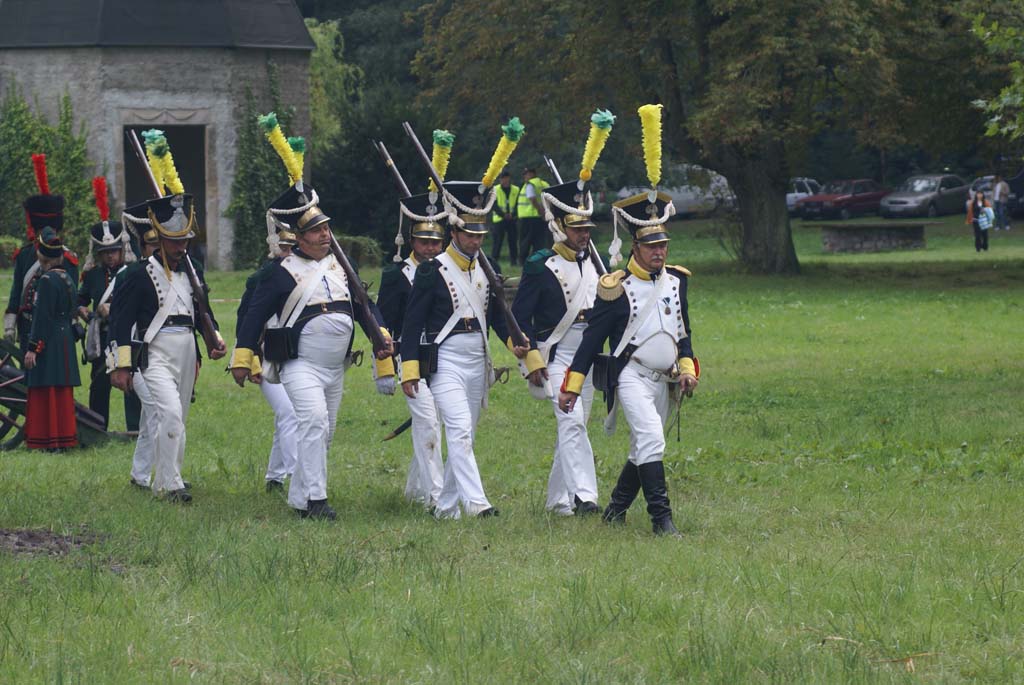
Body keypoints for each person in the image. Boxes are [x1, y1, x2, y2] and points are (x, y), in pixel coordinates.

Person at [230, 182, 395, 520]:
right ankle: (317, 501)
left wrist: (379, 334)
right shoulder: (279, 273)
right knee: (314, 422)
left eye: (325, 228)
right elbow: (253, 317)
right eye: (316, 231)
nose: (324, 235)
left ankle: (298, 498)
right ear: (299, 238)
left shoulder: (341, 267)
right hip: (298, 363)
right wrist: (243, 358)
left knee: (324, 432)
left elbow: (365, 306)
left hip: (336, 367)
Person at [559, 191, 699, 538]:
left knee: (643, 448)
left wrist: (687, 369)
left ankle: (615, 510)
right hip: (632, 376)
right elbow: (591, 342)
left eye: (663, 245)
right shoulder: (615, 289)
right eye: (651, 246)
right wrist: (572, 387)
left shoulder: (676, 282)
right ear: (634, 246)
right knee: (652, 440)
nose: (659, 252)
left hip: (664, 380)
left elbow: (683, 332)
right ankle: (661, 520)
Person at [400, 181, 537, 519]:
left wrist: (514, 344)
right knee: (459, 429)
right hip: (444, 359)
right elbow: (412, 325)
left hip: (478, 356)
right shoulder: (432, 271)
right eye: (470, 235)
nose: (476, 242)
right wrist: (410, 370)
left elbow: (496, 319)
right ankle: (478, 503)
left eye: (480, 236)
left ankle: (445, 508)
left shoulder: (487, 272)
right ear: (454, 232)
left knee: (467, 436)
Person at [109, 193, 227, 502]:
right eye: (174, 241)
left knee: (178, 420)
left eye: (184, 240)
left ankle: (166, 478)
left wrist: (213, 339)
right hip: (155, 352)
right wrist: (121, 365)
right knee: (170, 414)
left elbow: (201, 311)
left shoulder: (193, 271)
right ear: (159, 240)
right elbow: (120, 323)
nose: (181, 247)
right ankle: (170, 485)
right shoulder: (136, 275)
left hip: (186, 349)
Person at [512, 180, 602, 516]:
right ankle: (585, 497)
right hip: (557, 354)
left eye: (586, 228)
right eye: (577, 228)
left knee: (575, 427)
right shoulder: (540, 264)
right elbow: (520, 318)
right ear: (559, 226)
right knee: (572, 422)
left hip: (589, 356)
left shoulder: (596, 263)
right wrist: (533, 362)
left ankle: (556, 500)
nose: (584, 234)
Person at [378, 192, 446, 509]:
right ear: (412, 242)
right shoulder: (396, 275)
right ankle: (436, 496)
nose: (430, 248)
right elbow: (385, 324)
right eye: (424, 242)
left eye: (435, 243)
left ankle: (414, 491)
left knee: (432, 423)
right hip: (409, 358)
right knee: (429, 422)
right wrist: (385, 368)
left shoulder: (448, 272)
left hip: (444, 358)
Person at [234, 222, 300, 494]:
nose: (288, 253)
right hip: (266, 355)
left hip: (294, 355)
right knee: (288, 413)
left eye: (292, 247)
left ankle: (275, 476)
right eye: (284, 247)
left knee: (287, 416)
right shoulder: (261, 278)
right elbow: (246, 323)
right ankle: (299, 475)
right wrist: (251, 360)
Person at [77, 177, 138, 430]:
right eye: (105, 252)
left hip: (127, 336)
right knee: (99, 384)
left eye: (113, 251)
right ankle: (97, 428)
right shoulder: (91, 275)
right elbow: (79, 301)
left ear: (122, 249)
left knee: (131, 382)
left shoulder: (133, 273)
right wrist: (90, 314)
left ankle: (135, 428)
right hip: (102, 337)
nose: (110, 255)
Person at [5, 154, 79, 352]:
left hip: (56, 327)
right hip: (28, 325)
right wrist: (10, 325)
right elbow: (16, 294)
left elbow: (73, 297)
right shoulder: (24, 255)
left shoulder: (68, 257)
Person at [113, 202, 162, 490]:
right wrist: (121, 364)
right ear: (141, 245)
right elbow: (119, 324)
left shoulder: (176, 274)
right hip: (139, 354)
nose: (156, 249)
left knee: (151, 418)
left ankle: (141, 475)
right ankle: (164, 475)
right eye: (151, 244)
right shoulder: (130, 276)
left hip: (168, 355)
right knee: (158, 411)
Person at [23, 227, 82, 451]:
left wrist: (33, 348)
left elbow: (42, 318)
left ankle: (47, 439)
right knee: (61, 390)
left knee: (46, 389)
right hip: (64, 338)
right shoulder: (67, 277)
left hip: (49, 340)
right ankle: (63, 438)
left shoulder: (47, 280)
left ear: (41, 256)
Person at [516, 167, 550, 264]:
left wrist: (540, 211)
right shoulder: (544, 184)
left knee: (525, 241)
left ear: (531, 174)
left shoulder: (530, 184)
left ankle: (523, 261)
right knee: (539, 241)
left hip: (528, 217)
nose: (525, 177)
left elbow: (532, 199)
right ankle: (538, 260)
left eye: (526, 174)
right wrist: (545, 213)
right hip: (540, 218)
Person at [489, 171, 520, 264]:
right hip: (499, 219)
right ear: (500, 179)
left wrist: (513, 214)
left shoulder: (516, 189)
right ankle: (494, 261)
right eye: (503, 178)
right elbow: (493, 204)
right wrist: (503, 215)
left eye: (506, 178)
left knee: (513, 241)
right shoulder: (495, 189)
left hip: (512, 219)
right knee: (497, 242)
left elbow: (518, 203)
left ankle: (513, 261)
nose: (505, 180)